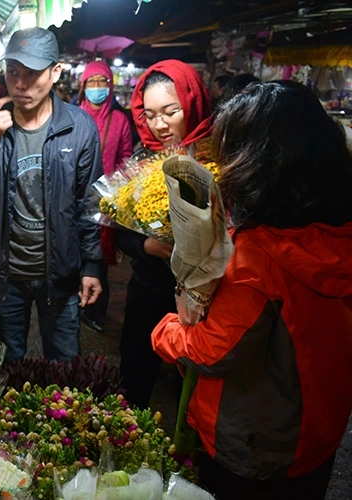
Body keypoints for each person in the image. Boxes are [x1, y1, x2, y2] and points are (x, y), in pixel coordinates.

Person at [152, 81, 352, 499]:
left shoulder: (260, 255)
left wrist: (166, 332)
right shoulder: (338, 229)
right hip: (318, 428)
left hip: (254, 442)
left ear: (256, 160)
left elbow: (215, 350)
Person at [0, 27, 103, 363]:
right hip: (5, 274)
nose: (20, 84)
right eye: (13, 72)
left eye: (33, 74)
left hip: (60, 275)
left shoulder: (79, 129)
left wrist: (92, 264)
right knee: (5, 366)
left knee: (64, 369)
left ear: (56, 72)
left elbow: (89, 203)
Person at [117, 60, 213, 408]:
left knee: (195, 392)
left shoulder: (218, 157)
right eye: (150, 115)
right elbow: (120, 228)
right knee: (134, 375)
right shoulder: (142, 163)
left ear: (192, 103)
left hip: (209, 301)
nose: (159, 125)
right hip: (151, 290)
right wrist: (146, 245)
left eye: (171, 112)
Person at [77, 61, 134, 333]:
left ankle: (96, 310)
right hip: (76, 196)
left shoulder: (120, 120)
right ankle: (73, 303)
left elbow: (125, 161)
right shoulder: (74, 115)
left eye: (102, 82)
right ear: (83, 86)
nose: (97, 88)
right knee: (73, 251)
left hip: (105, 201)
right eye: (91, 82)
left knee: (98, 254)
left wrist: (120, 198)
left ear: (110, 86)